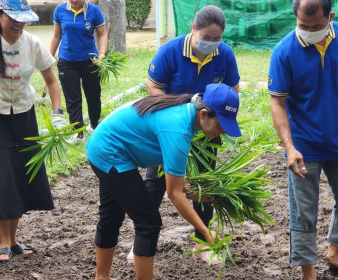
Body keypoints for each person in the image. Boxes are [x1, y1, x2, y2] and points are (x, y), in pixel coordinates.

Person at [86, 83, 241, 280]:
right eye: (220, 125)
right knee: (148, 223)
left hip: (107, 145)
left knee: (111, 216)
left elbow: (173, 175)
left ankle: (102, 277)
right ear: (203, 114)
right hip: (109, 151)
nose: (223, 132)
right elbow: (174, 194)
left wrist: (190, 189)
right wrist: (205, 232)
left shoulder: (186, 114)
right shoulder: (178, 129)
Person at [268, 0, 338, 279]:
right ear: (296, 18)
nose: (309, 31)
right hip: (303, 148)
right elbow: (277, 103)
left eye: (317, 26)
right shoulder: (284, 51)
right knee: (303, 213)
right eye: (303, 26)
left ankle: (334, 253)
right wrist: (289, 148)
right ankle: (308, 272)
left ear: (331, 17)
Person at [141, 4, 240, 264]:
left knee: (203, 187)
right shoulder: (171, 51)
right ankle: (142, 242)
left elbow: (234, 89)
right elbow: (153, 84)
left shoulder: (225, 55)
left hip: (206, 132)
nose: (211, 43)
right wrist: (175, 114)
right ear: (193, 29)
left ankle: (202, 243)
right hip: (170, 130)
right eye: (206, 38)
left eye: (216, 39)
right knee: (155, 185)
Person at [0, 0, 63, 262]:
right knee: (3, 177)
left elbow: (51, 80)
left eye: (22, 18)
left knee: (21, 174)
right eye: (12, 17)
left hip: (24, 115)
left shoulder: (32, 43)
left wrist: (58, 115)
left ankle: (13, 241)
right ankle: (3, 241)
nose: (18, 23)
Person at [49, 0, 107, 141]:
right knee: (72, 99)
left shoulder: (94, 11)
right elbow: (56, 36)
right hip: (67, 61)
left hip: (90, 61)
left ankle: (94, 125)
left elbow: (102, 35)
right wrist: (48, 58)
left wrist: (101, 54)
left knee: (93, 95)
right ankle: (78, 132)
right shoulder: (60, 10)